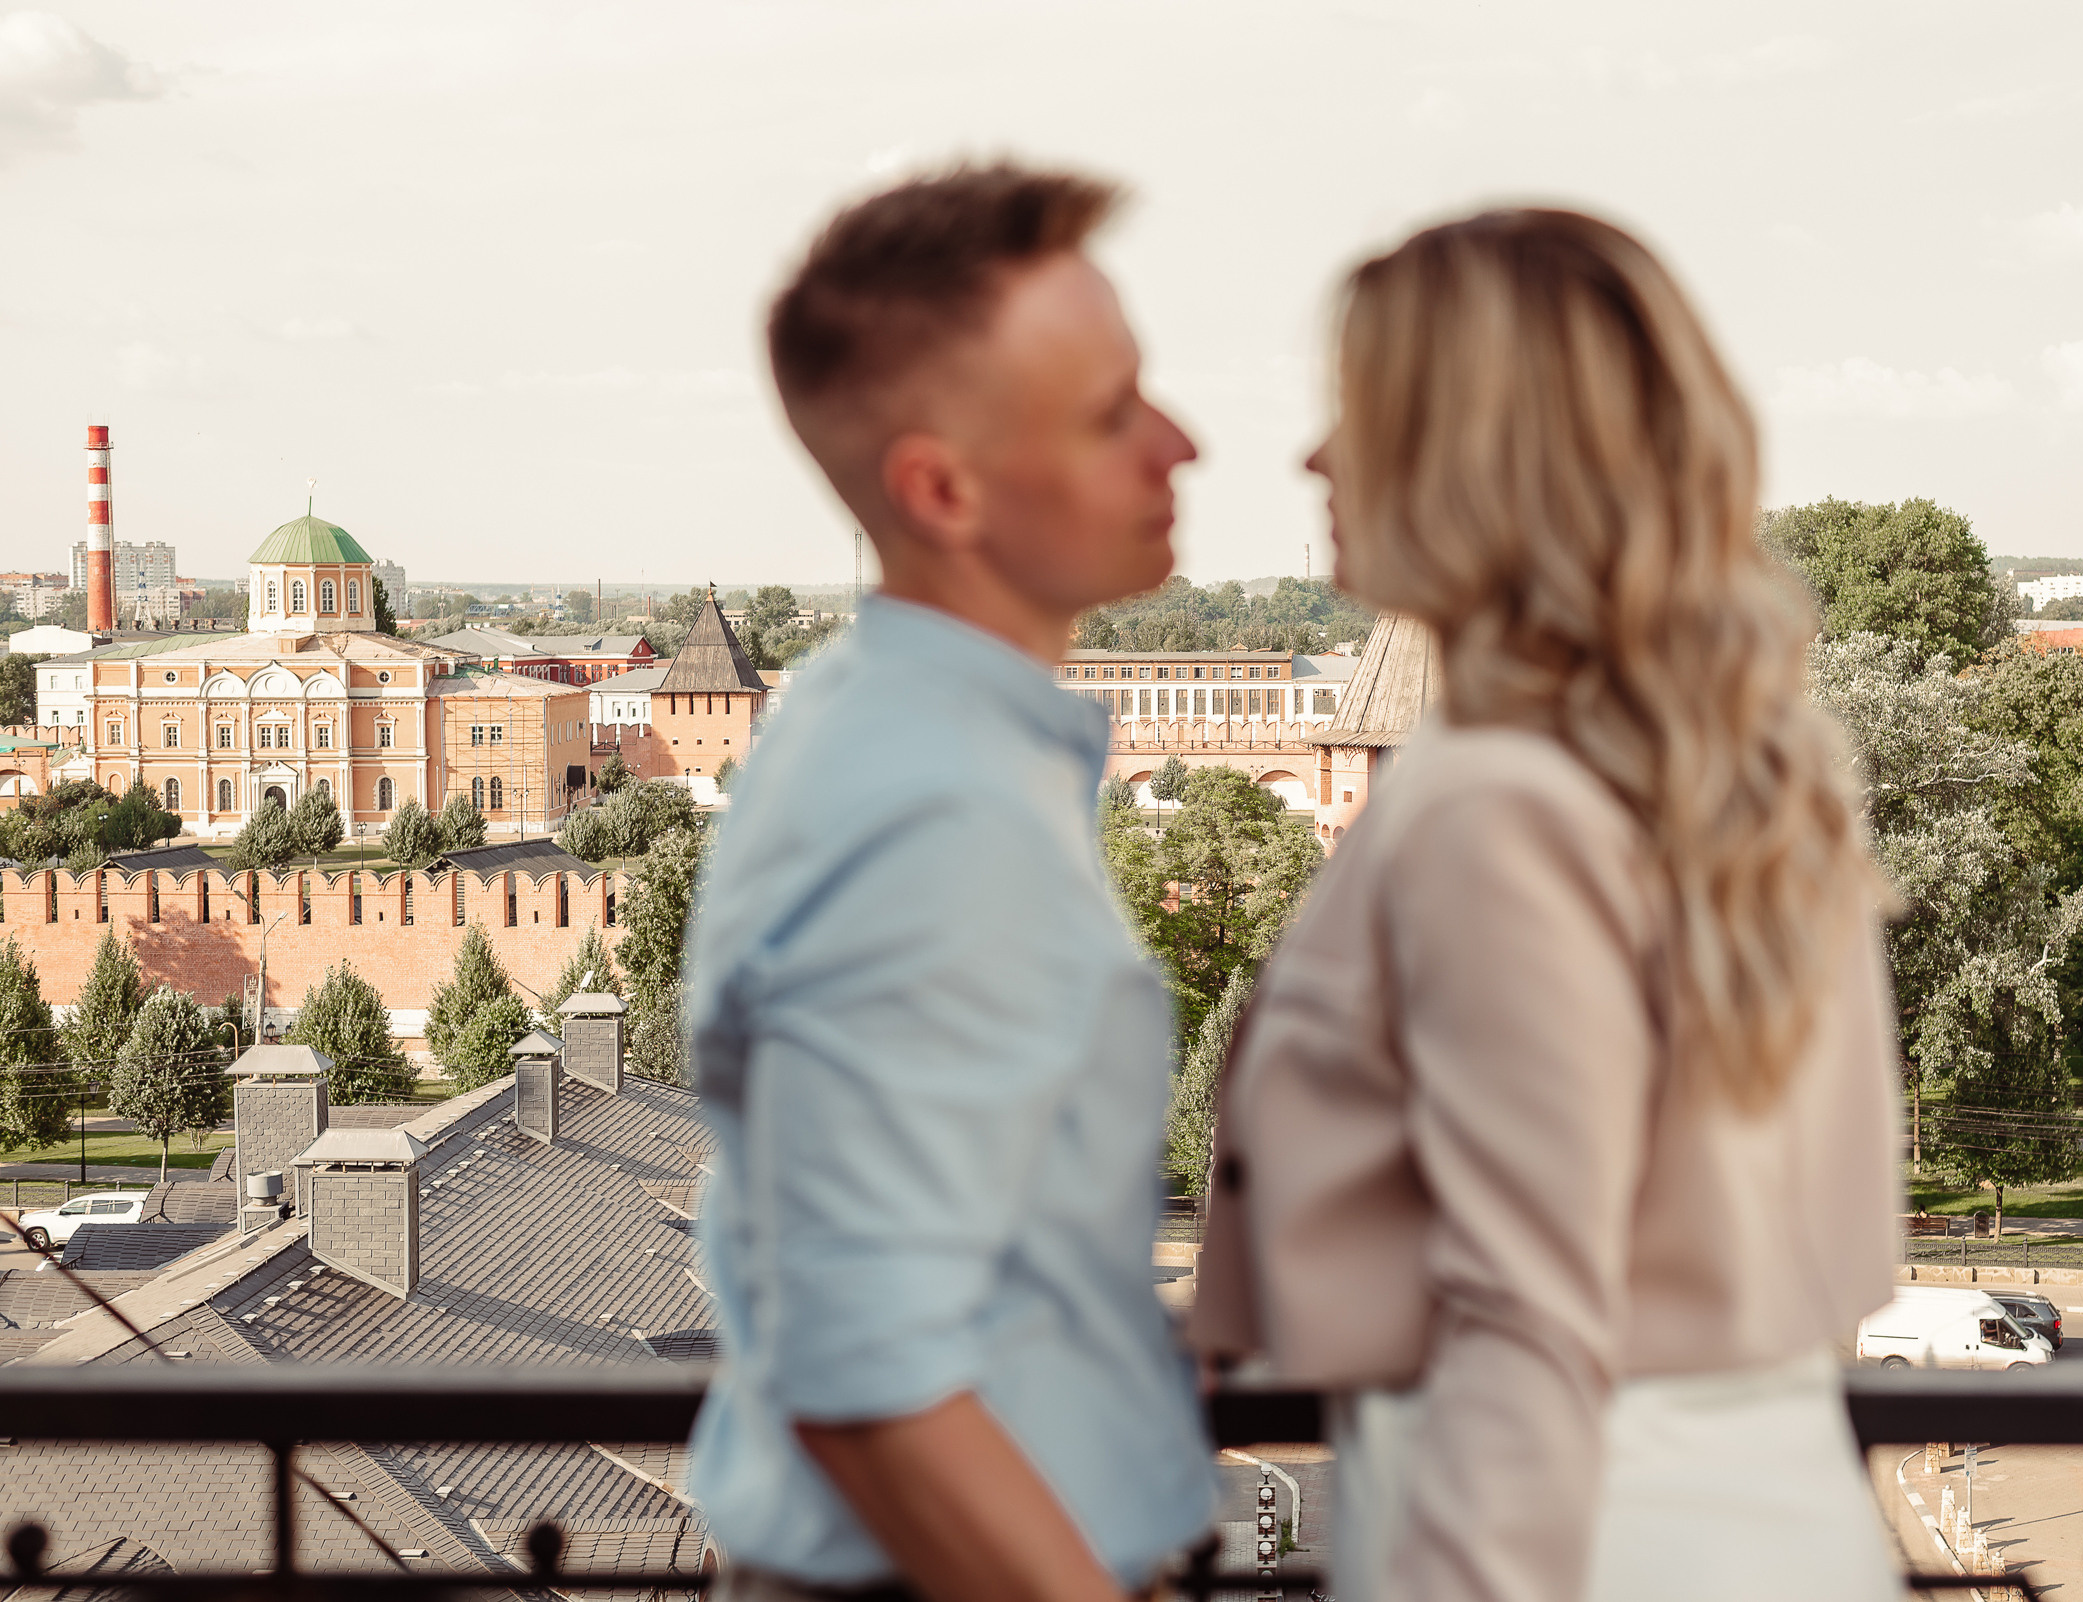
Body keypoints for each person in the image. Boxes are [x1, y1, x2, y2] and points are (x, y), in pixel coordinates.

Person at [1189, 209, 1906, 1602]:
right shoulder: (1748, 777)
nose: (1313, 457)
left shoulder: (1495, 805)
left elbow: (1521, 1329)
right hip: (1764, 1518)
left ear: (1476, 461)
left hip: (1557, 1541)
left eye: (1364, 412)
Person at [685, 164, 1216, 1602]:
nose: (1182, 443)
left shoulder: (899, 736)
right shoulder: (938, 807)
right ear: (941, 486)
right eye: (1111, 412)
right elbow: (866, 1375)